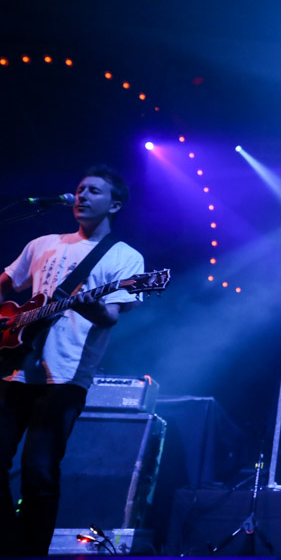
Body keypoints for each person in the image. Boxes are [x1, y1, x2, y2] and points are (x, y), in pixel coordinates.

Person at [0, 166, 145, 556]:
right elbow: (9, 283)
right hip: (13, 370)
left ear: (114, 204)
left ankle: (28, 553)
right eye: (79, 189)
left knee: (38, 473)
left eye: (93, 191)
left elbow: (110, 317)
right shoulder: (43, 242)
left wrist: (90, 304)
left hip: (65, 377)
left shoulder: (125, 257)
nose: (81, 196)